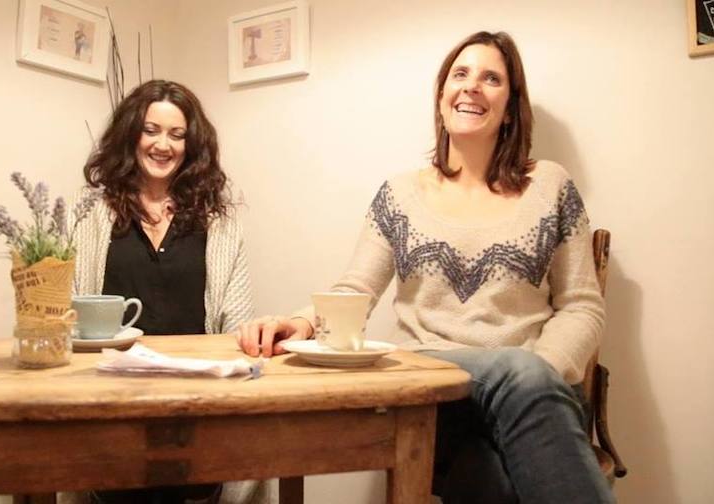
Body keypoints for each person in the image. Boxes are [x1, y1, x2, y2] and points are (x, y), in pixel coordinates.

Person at [236, 31, 615, 503]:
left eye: (491, 78)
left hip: (532, 396)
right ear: (441, 98)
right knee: (510, 391)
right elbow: (356, 288)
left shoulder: (550, 185)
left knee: (490, 475)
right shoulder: (400, 194)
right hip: (431, 389)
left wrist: (539, 372)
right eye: (460, 74)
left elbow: (582, 307)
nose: (472, 86)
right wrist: (301, 323)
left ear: (510, 107)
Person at [73, 80, 262, 504]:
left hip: (196, 409)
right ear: (130, 135)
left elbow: (237, 326)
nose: (163, 145)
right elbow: (68, 314)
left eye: (177, 135)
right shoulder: (90, 214)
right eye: (151, 130)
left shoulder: (219, 221)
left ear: (191, 145)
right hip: (110, 409)